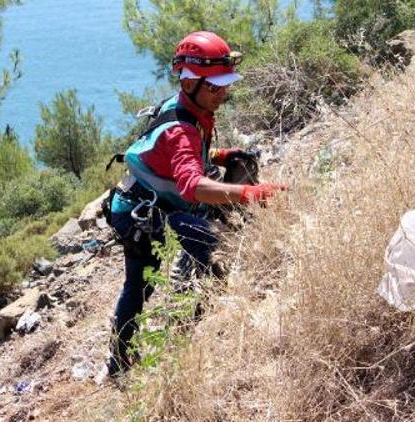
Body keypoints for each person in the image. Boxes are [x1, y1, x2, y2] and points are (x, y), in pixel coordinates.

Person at [106, 31, 285, 376]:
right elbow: (190, 184)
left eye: (225, 85)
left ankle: (194, 315)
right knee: (141, 285)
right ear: (190, 83)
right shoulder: (182, 128)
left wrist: (220, 154)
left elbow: (181, 159)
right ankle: (121, 363)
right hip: (141, 214)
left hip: (156, 203)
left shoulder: (190, 111)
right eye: (215, 87)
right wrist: (249, 193)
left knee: (203, 243)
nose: (223, 93)